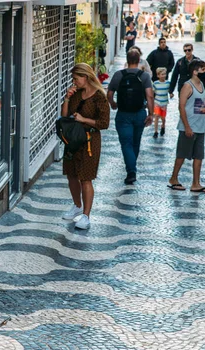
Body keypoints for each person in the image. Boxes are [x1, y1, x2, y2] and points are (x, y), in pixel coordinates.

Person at [61, 63, 110, 229]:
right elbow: (65, 116)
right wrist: (67, 98)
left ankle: (86, 216)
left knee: (85, 179)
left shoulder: (99, 97)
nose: (74, 82)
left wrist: (84, 120)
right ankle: (77, 206)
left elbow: (104, 123)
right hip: (73, 140)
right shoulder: (77, 94)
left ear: (86, 77)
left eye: (76, 78)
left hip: (90, 141)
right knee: (71, 175)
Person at [107, 49, 154, 184]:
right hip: (140, 113)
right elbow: (150, 96)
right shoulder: (144, 76)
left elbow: (109, 94)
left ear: (127, 61)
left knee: (126, 143)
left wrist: (113, 104)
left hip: (123, 114)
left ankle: (131, 170)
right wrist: (151, 114)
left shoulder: (118, 75)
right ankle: (132, 167)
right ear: (139, 60)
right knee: (135, 141)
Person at [167, 60, 205, 193]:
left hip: (200, 126)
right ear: (195, 71)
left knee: (199, 156)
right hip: (189, 126)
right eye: (203, 69)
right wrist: (187, 126)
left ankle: (196, 183)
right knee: (182, 154)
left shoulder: (202, 85)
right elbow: (181, 106)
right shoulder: (188, 86)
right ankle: (173, 178)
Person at [153, 67, 170, 138]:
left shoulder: (168, 83)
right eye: (162, 74)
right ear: (158, 75)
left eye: (164, 74)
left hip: (164, 103)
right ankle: (156, 131)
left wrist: (171, 94)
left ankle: (163, 126)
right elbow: (153, 92)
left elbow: (170, 91)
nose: (163, 76)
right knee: (156, 116)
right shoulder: (155, 83)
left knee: (163, 117)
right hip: (157, 102)